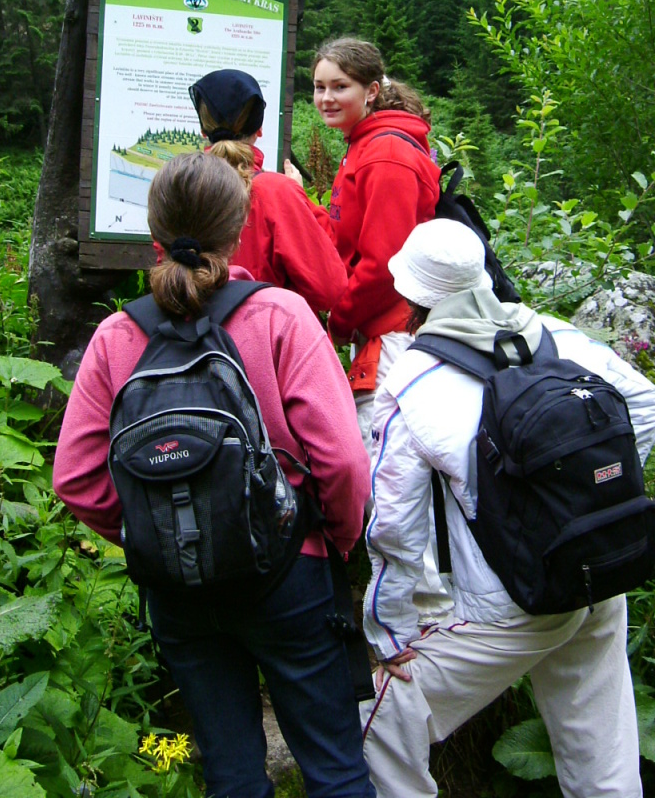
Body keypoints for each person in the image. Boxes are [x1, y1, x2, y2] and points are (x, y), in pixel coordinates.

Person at [53, 151, 375, 798]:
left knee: (230, 776)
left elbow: (76, 478)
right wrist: (332, 540)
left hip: (178, 590)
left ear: (152, 232)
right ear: (240, 227)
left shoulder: (117, 336)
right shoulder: (281, 316)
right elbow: (342, 460)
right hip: (290, 572)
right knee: (335, 771)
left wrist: (160, 532)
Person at [360, 218, 655, 798]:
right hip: (596, 572)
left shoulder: (412, 379)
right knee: (602, 758)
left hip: (510, 603)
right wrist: (591, 498)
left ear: (410, 295)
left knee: (380, 721)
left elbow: (393, 526)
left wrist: (390, 633)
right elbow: (644, 407)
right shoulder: (553, 334)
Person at [284, 39, 439, 439]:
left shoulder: (386, 153)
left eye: (340, 86)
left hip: (394, 336)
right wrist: (299, 199)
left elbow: (386, 264)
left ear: (371, 91)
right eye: (319, 87)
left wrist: (339, 320)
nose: (326, 98)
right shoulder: (363, 144)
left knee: (381, 459)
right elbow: (343, 239)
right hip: (375, 332)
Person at [189, 68, 347, 314]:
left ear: (203, 129)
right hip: (265, 333)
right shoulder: (277, 192)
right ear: (259, 129)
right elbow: (329, 289)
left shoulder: (179, 185)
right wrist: (301, 199)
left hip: (195, 331)